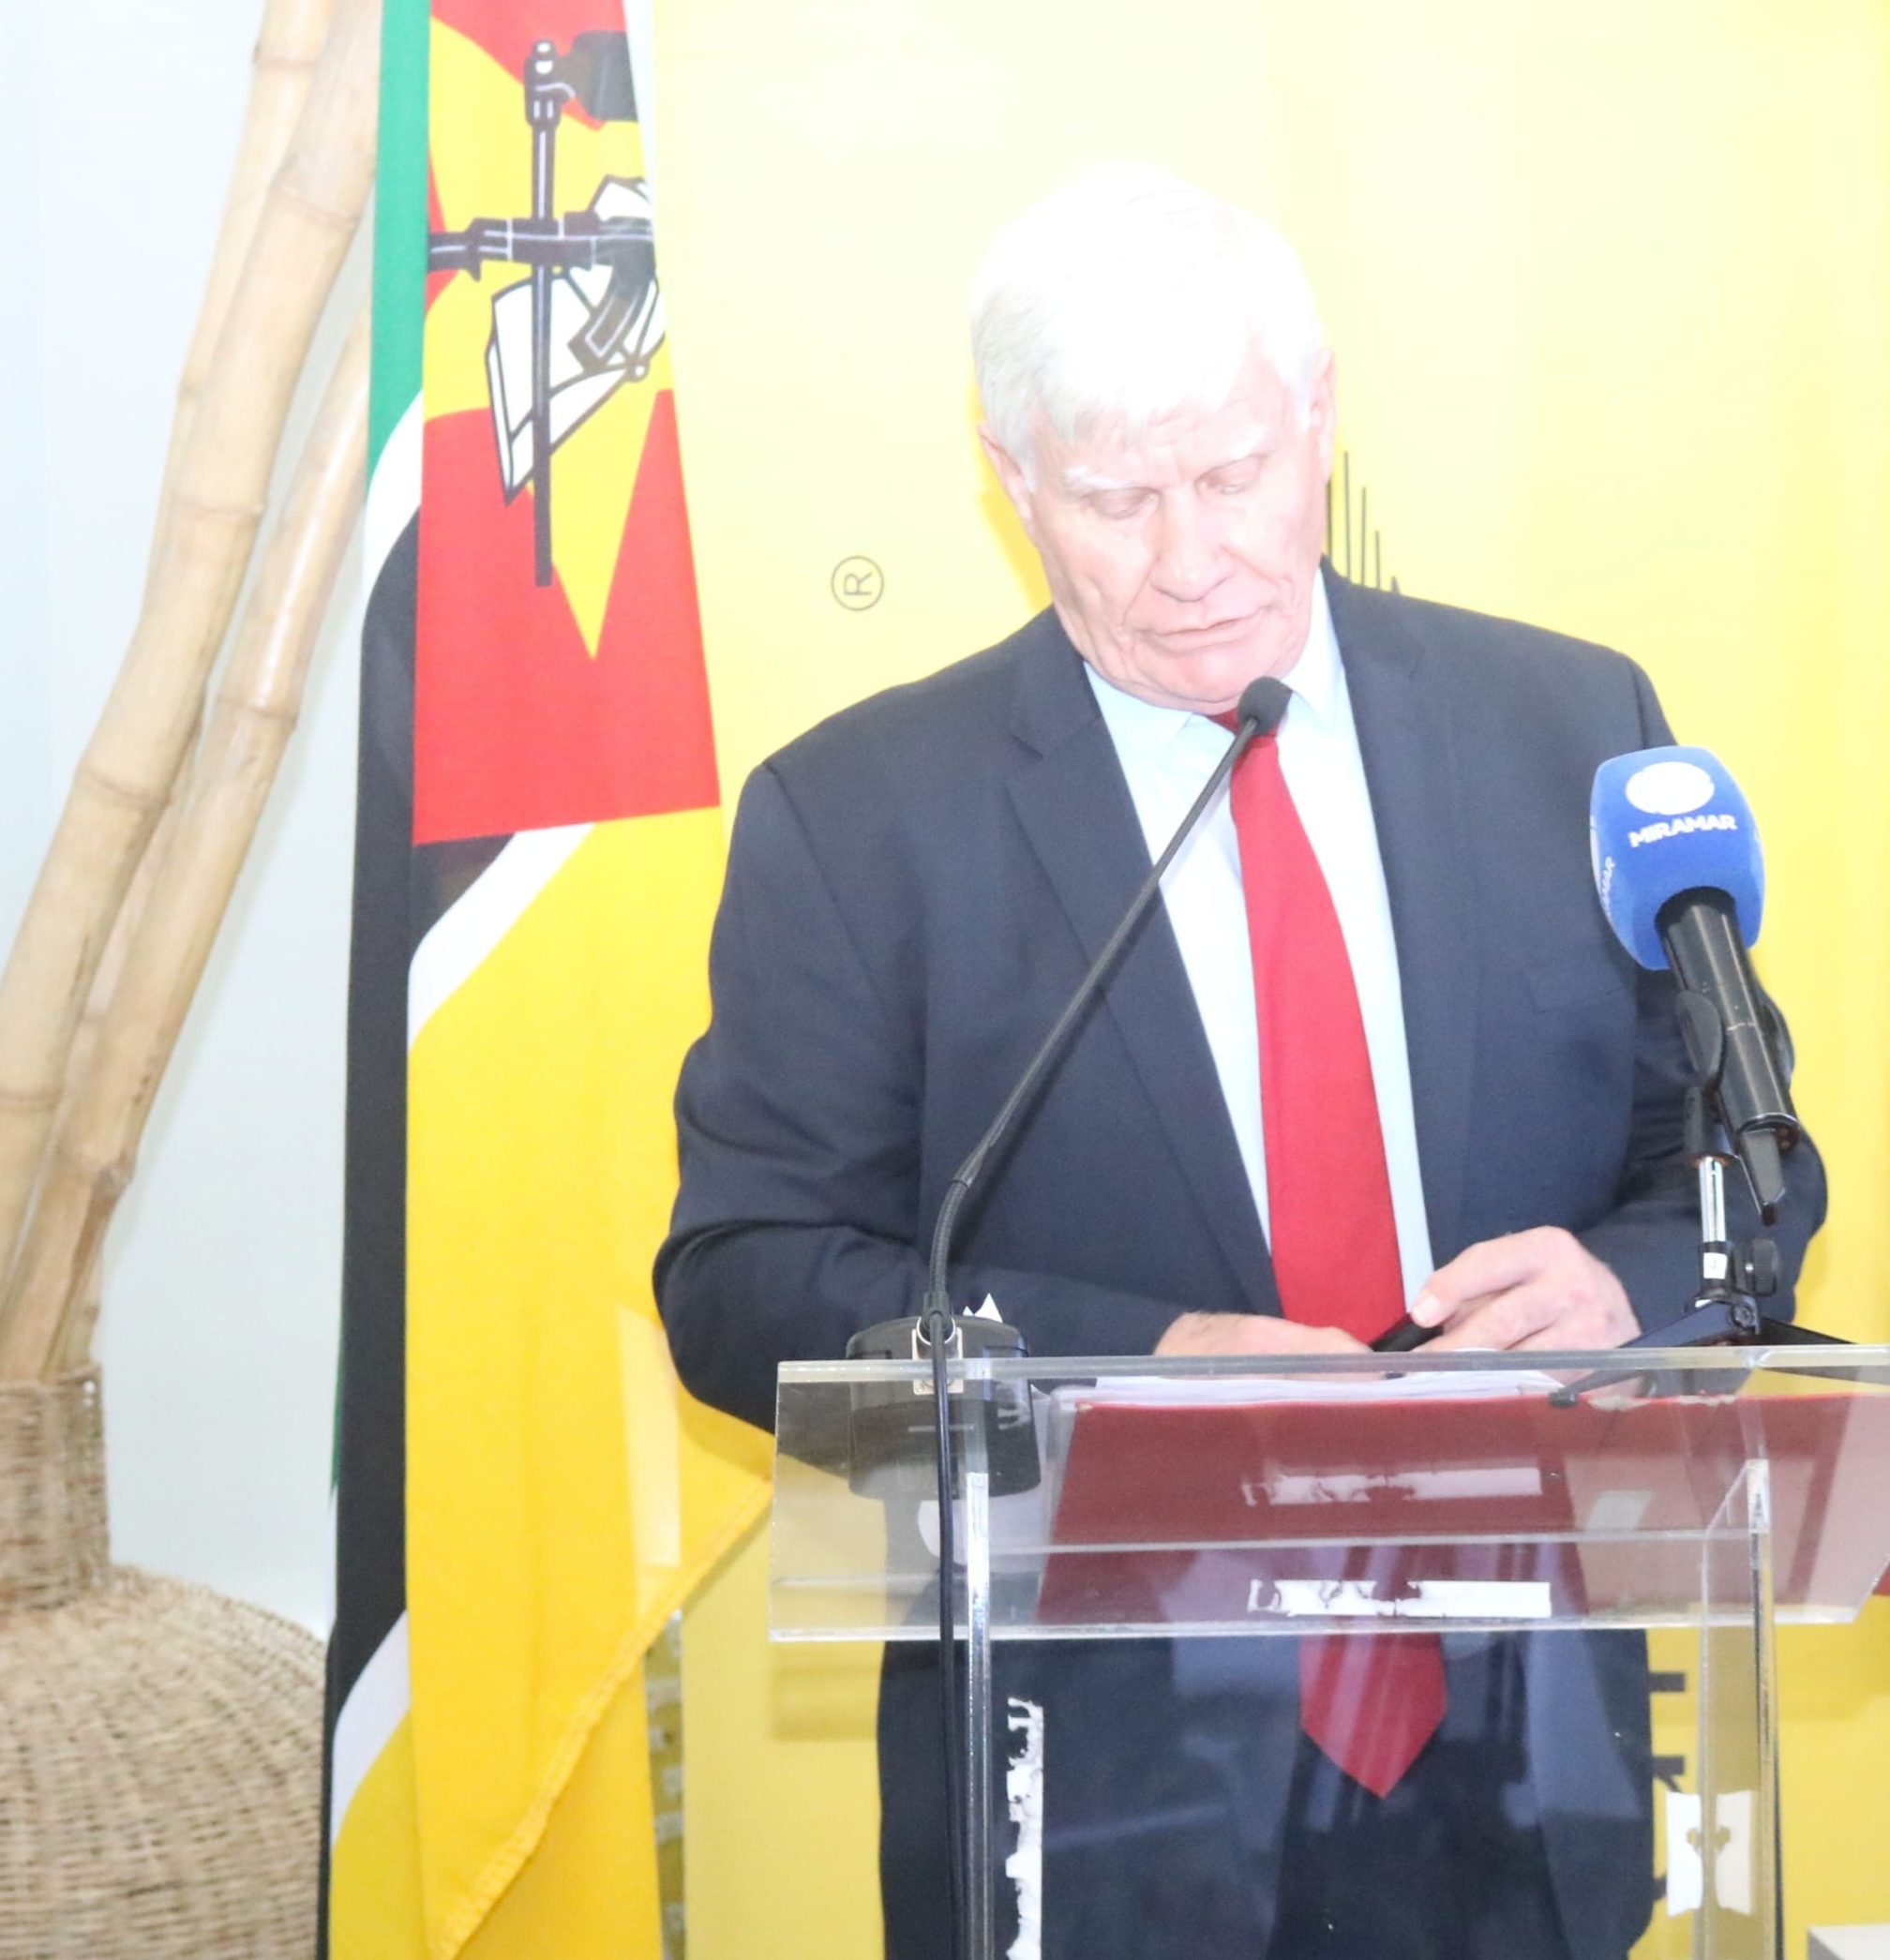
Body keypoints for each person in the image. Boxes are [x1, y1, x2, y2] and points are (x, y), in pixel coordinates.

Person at [654, 164, 1826, 1959]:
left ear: (1322, 415)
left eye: (1233, 475)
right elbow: (745, 1282)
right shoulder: (865, 818)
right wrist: (1140, 1368)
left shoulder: (1571, 730)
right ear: (1009, 475)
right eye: (1117, 501)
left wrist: (1623, 1287)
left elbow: (1746, 1166)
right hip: (1095, 1798)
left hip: (1529, 1760)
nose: (1191, 561)